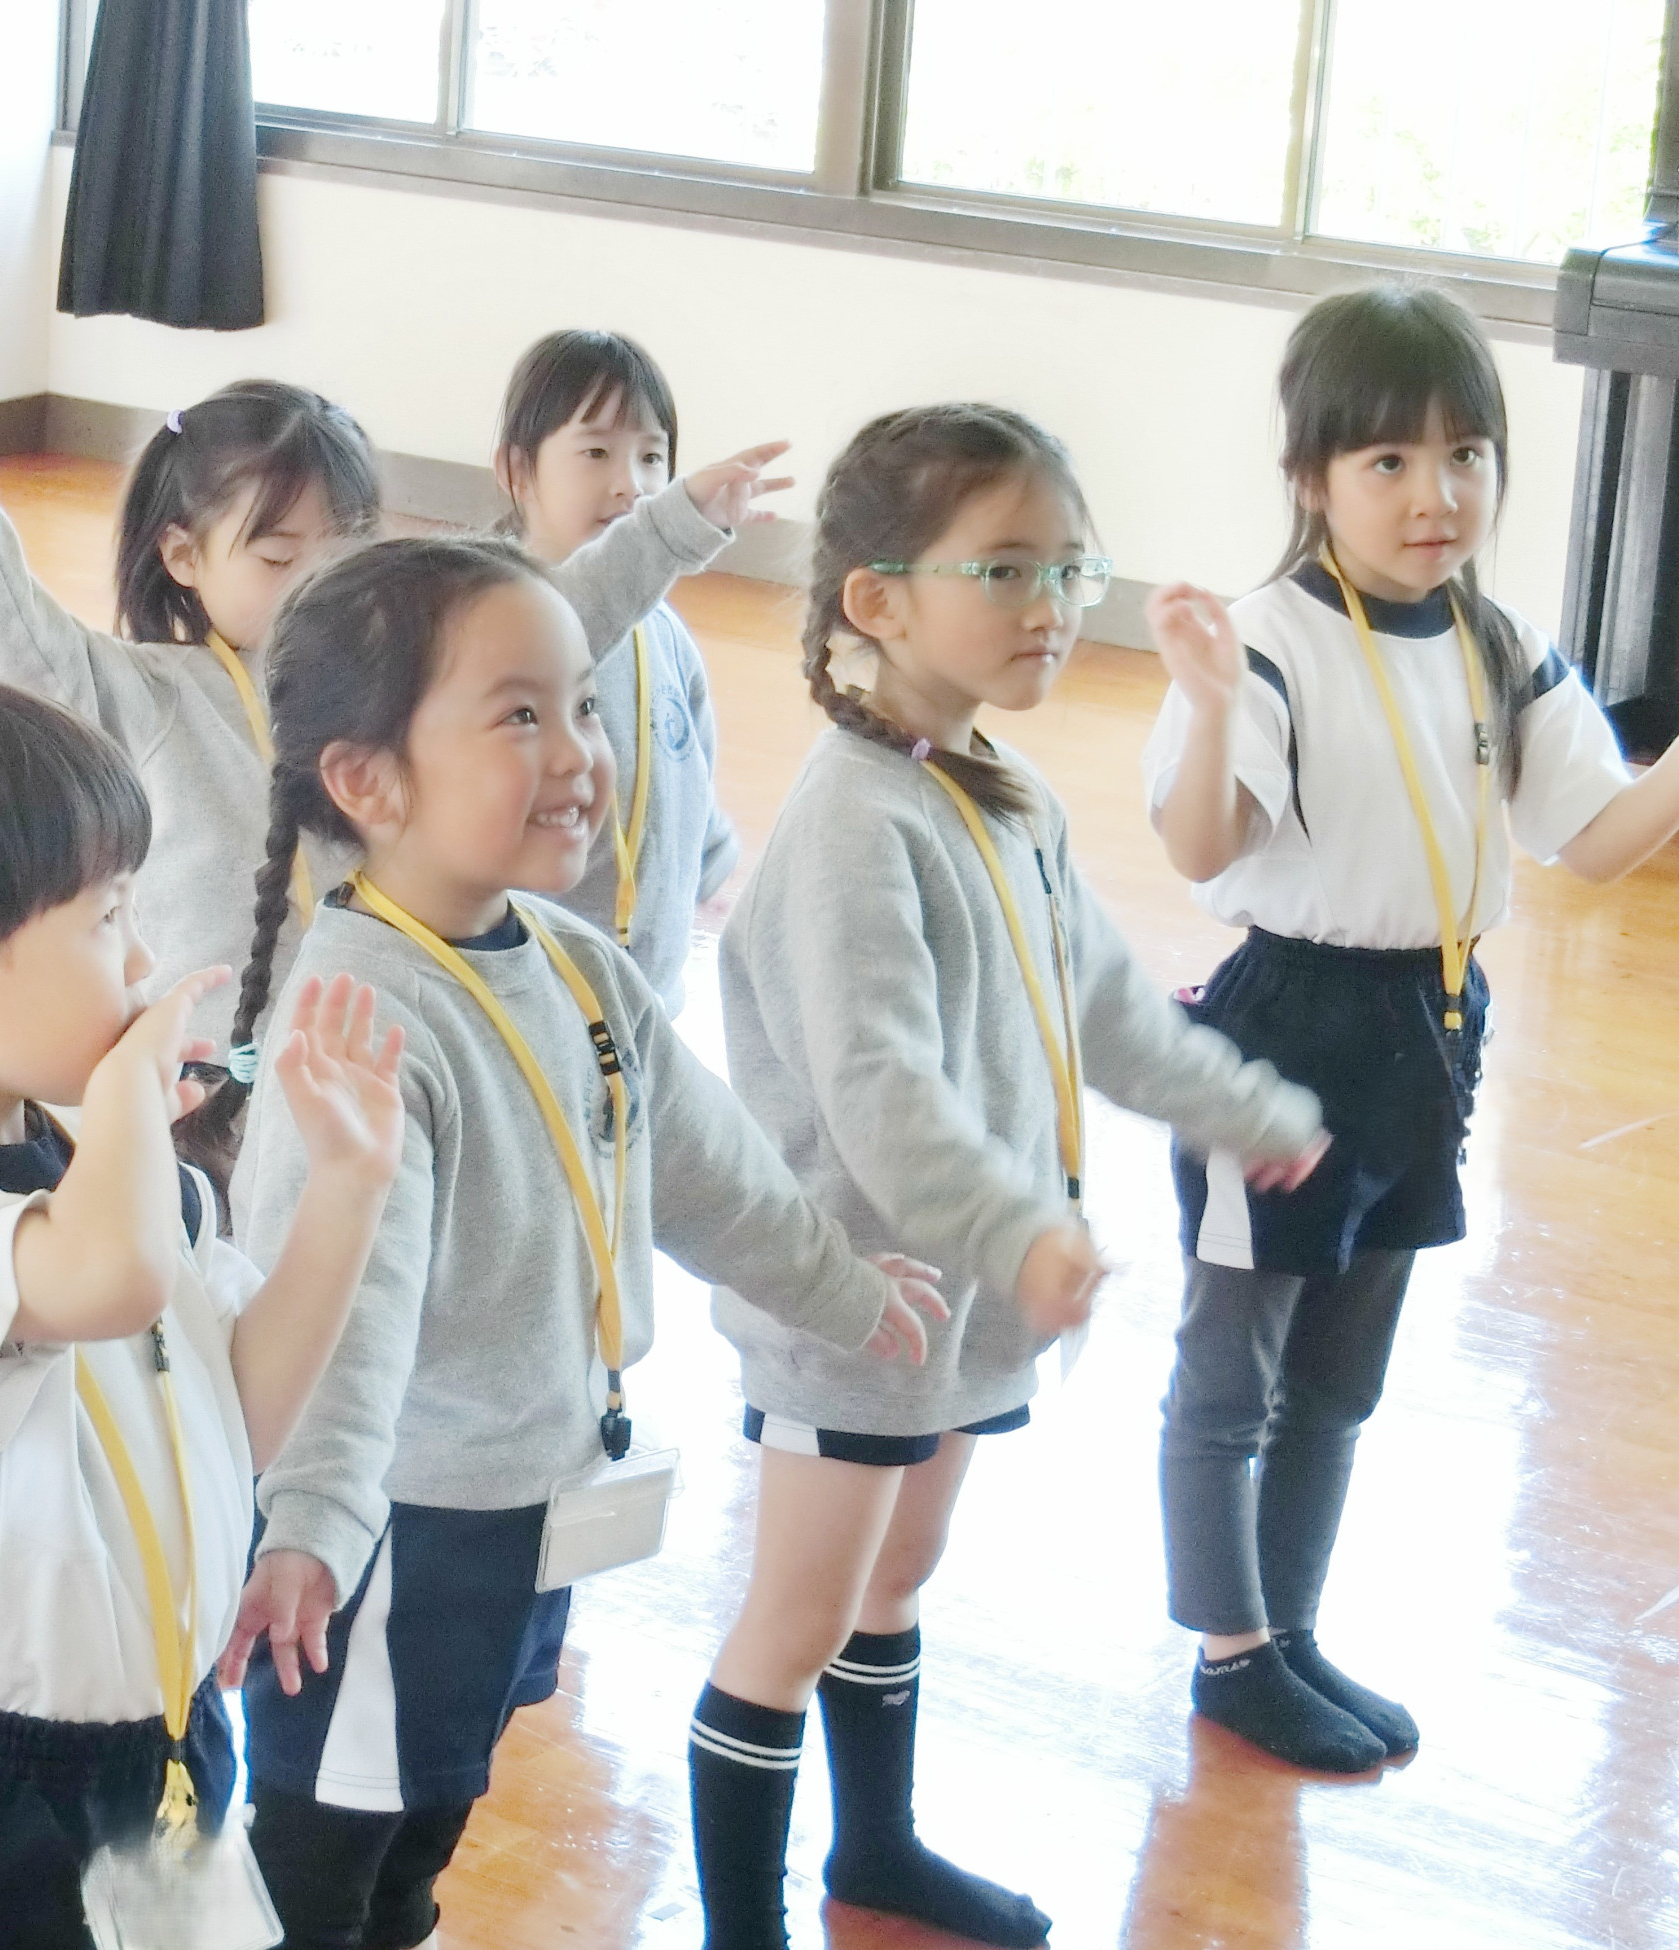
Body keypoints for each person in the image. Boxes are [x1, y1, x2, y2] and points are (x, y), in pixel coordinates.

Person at [213, 534, 947, 1950]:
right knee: (318, 1865)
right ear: (367, 781)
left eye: (585, 706)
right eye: (518, 714)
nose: (577, 754)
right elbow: (344, 1323)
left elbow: (712, 1173)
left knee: (422, 1825)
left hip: (519, 1500)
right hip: (379, 1532)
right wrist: (305, 1525)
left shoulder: (574, 964)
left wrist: (837, 1286)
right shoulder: (360, 1025)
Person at [694, 404, 1327, 1948]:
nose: (1052, 603)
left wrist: (1241, 1104)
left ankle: (876, 1850)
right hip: (859, 1300)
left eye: (1067, 567)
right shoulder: (854, 823)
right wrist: (1020, 1225)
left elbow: (1105, 1003)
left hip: (965, 1298)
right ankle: (742, 1928)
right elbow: (880, 1090)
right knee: (793, 1623)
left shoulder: (996, 784)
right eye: (1007, 568)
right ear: (878, 599)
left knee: (896, 1574)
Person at [0, 669, 408, 1948]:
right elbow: (104, 1283)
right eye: (107, 919)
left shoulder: (99, 1176)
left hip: (161, 1741)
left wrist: (346, 1190)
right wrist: (124, 1106)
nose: (144, 961)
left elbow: (236, 1420)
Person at [1143, 283, 1679, 1771]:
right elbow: (1199, 847)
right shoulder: (1260, 641)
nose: (1434, 494)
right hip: (1278, 1037)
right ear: (1310, 477)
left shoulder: (1500, 642)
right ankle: (1229, 1655)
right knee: (1232, 1369)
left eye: (1465, 455)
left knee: (1338, 1377)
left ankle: (1288, 1630)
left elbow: (1596, 840)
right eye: (1387, 461)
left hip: (1428, 1023)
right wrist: (1202, 704)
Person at [0, 363, 789, 1048]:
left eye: (341, 548)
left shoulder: (390, 666)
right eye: (276, 556)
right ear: (183, 557)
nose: (313, 578)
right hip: (214, 1075)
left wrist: (673, 525)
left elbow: (552, 617)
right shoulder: (147, 692)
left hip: (388, 1049)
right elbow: (14, 641)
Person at [491, 328, 742, 1011]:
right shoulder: (496, 617)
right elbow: (568, 620)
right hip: (534, 988)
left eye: (652, 457)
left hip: (648, 989)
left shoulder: (665, 632)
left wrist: (708, 858)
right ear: (517, 471)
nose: (631, 486)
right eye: (596, 452)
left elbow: (690, 759)